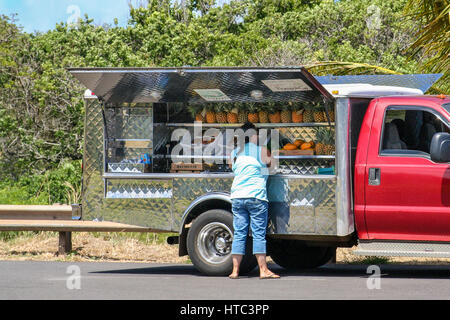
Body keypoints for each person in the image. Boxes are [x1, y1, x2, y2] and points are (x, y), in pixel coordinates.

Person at [228, 122, 280, 279]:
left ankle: (235, 271)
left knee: (239, 233)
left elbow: (234, 168)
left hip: (237, 196)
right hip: (256, 196)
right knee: (258, 234)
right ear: (253, 136)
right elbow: (274, 167)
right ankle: (263, 270)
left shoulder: (234, 153)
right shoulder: (262, 151)